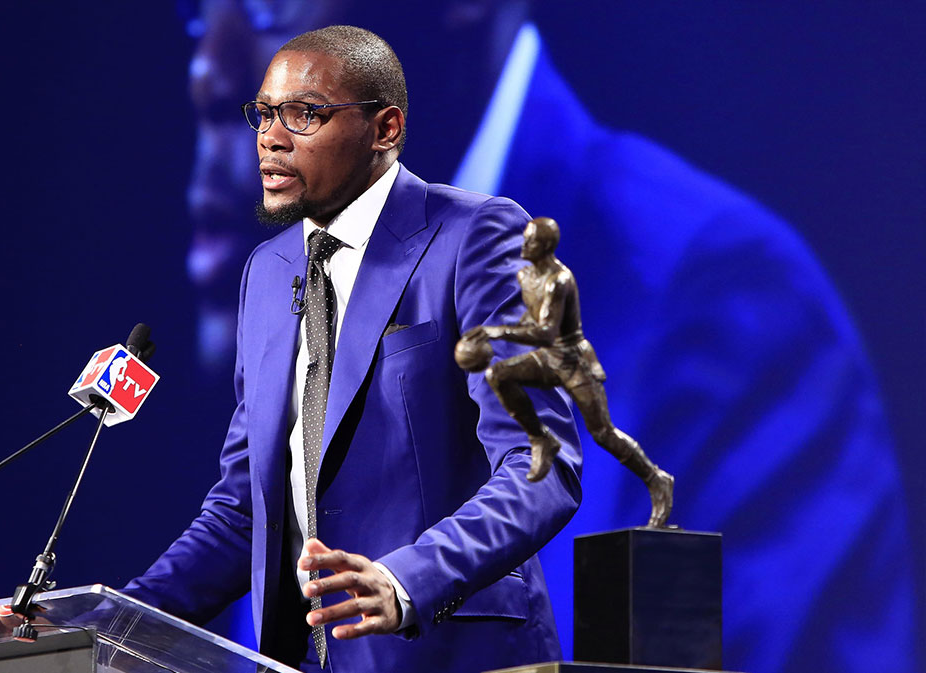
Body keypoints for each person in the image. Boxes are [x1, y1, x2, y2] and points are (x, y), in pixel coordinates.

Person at [180, 4, 916, 673]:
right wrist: (88, 618)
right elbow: (242, 513)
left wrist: (407, 582)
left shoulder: (718, 289)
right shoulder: (286, 271)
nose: (206, 69)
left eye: (265, 2)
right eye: (195, 7)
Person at [0, 25, 581, 673]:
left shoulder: (477, 236)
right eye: (265, 113)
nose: (270, 136)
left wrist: (403, 580)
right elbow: (244, 516)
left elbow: (540, 465)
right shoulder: (268, 273)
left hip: (453, 654)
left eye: (304, 114)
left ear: (385, 129)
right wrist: (83, 630)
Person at [459, 217, 673, 528]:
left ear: (545, 247)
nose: (524, 245)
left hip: (573, 363)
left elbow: (546, 332)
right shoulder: (526, 275)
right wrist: (494, 332)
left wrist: (495, 332)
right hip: (548, 359)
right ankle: (541, 438)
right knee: (499, 375)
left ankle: (657, 478)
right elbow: (529, 324)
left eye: (531, 240)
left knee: (603, 433)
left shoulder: (559, 280)